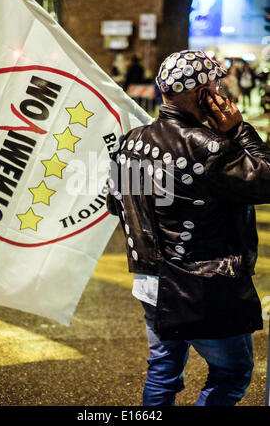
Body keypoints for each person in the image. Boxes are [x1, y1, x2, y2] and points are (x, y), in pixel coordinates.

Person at [106, 49, 270, 406]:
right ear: (202, 94)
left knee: (162, 372)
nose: (222, 91)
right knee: (231, 373)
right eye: (216, 84)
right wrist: (239, 129)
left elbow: (114, 202)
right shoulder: (210, 146)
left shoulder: (131, 140)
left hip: (151, 284)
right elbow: (265, 181)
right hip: (202, 289)